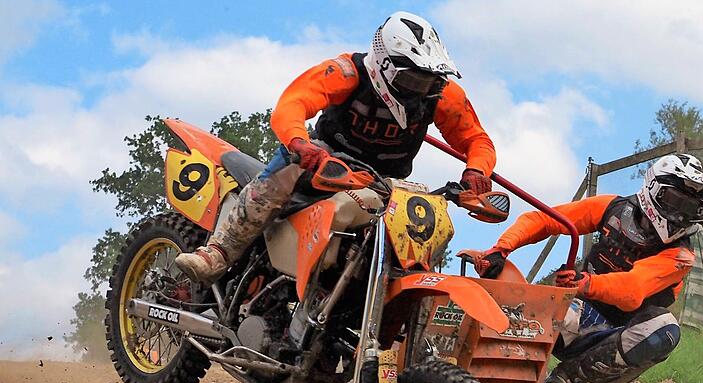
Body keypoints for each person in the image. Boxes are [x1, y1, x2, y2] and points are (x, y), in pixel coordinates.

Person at [176, 11, 496, 282]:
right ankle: (218, 252)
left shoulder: (442, 95)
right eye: (413, 80)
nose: (421, 90)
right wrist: (300, 142)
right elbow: (293, 103)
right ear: (384, 65)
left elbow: (476, 140)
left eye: (429, 81)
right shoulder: (347, 73)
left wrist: (476, 171)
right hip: (322, 165)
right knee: (289, 163)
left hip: (383, 186)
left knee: (423, 227)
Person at [474, 154, 703, 383]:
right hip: (579, 314)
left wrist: (585, 283)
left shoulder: (681, 255)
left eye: (689, 208)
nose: (679, 214)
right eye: (675, 201)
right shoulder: (614, 208)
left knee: (666, 328)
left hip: (621, 337)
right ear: (653, 188)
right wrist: (502, 248)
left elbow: (633, 290)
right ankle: (487, 381)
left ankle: (569, 375)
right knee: (524, 304)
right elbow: (545, 218)